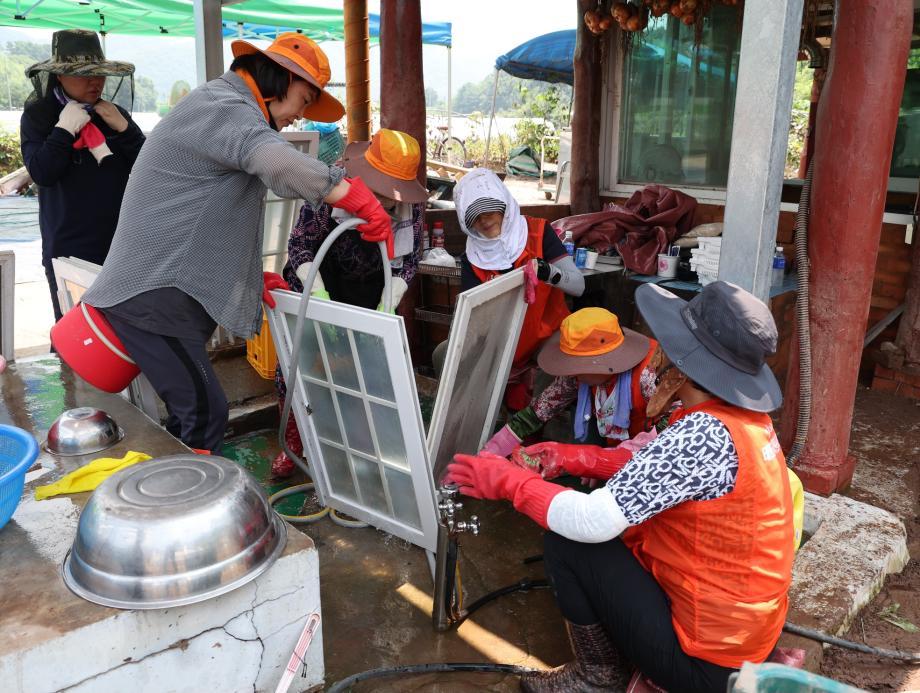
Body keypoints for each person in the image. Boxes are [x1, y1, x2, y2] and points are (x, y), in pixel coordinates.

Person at [446, 281, 794, 693]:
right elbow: (646, 472)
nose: (658, 350)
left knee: (569, 540)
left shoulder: (703, 432)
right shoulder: (744, 422)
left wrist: (509, 482)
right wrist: (566, 458)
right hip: (740, 639)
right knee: (624, 531)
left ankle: (598, 676)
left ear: (681, 364)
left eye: (668, 343)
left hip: (708, 665)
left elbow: (591, 521)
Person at [80, 33, 392, 455]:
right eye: (304, 99)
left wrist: (245, 274)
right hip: (153, 297)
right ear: (280, 78)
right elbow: (278, 162)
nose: (299, 116)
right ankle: (188, 509)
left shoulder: (222, 106)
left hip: (158, 293)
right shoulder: (225, 107)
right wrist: (354, 196)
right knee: (204, 414)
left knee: (195, 412)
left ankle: (182, 494)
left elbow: (202, 218)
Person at [271, 128, 429, 477]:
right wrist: (319, 296)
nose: (387, 200)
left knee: (369, 369)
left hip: (372, 292)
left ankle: (359, 440)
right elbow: (299, 247)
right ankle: (296, 439)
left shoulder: (410, 207)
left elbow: (410, 259)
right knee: (298, 364)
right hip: (318, 282)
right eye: (379, 191)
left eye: (392, 194)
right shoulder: (328, 186)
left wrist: (389, 302)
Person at [20, 29, 146, 323]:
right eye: (83, 74)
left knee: (124, 329)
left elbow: (148, 168)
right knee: (75, 330)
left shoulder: (113, 113)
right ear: (59, 76)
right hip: (68, 246)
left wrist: (126, 131)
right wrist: (63, 131)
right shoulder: (39, 116)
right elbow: (42, 172)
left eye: (99, 74)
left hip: (120, 241)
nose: (96, 81)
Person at [449, 168, 584, 410]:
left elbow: (578, 286)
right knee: (446, 355)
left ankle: (535, 433)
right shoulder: (473, 256)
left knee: (558, 360)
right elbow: (471, 319)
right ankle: (479, 427)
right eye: (475, 216)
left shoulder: (538, 232)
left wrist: (548, 272)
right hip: (500, 339)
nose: (485, 219)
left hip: (547, 331)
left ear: (504, 205)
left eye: (489, 208)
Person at [482, 307, 662, 458]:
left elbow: (678, 425)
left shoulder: (650, 375)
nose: (572, 373)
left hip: (656, 453)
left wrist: (614, 458)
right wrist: (496, 448)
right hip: (617, 445)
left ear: (606, 362)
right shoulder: (577, 377)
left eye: (578, 365)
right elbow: (542, 408)